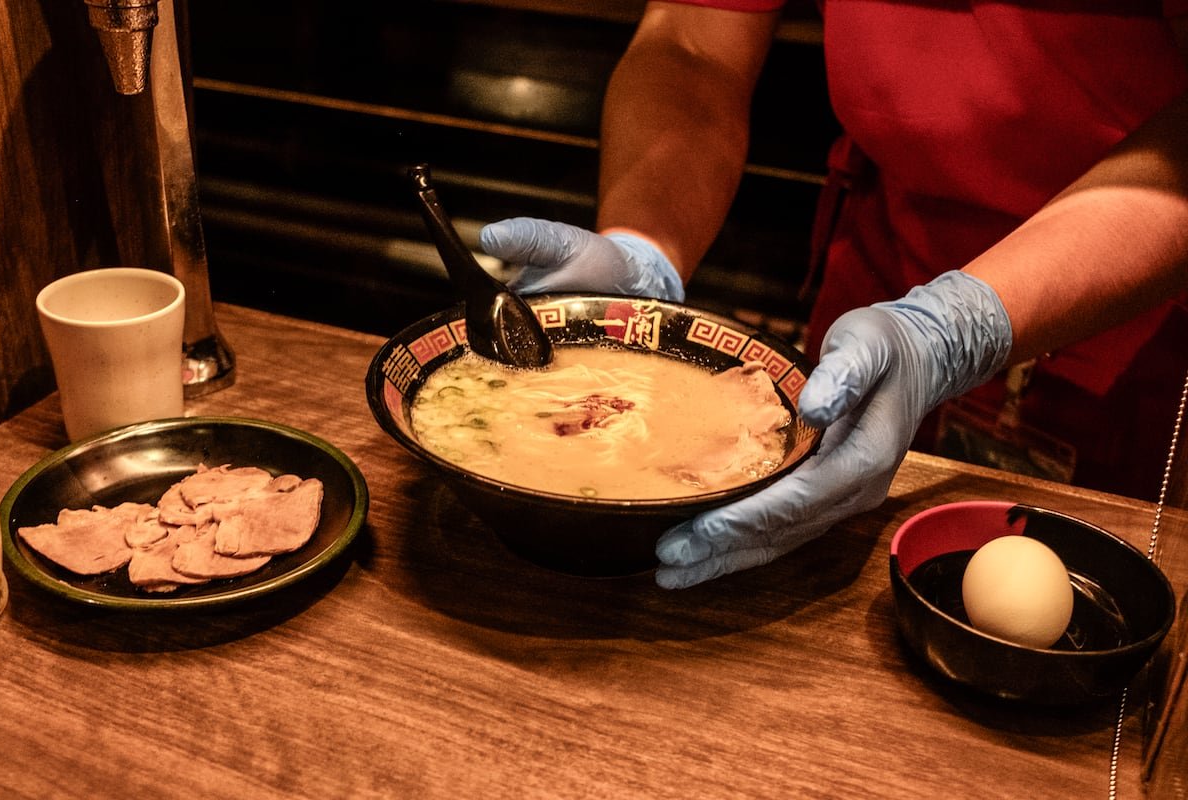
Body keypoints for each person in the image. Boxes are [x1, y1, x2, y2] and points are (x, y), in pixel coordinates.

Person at [477, 1, 1188, 588]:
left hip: (1122, 301)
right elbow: (696, 43)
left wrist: (953, 328)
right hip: (878, 271)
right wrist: (643, 241)